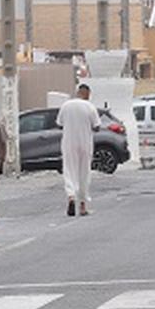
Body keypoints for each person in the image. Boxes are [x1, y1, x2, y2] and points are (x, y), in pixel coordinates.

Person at [57, 84, 102, 216]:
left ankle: (71, 196)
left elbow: (59, 124)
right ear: (87, 93)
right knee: (84, 173)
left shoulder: (66, 106)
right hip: (85, 143)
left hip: (69, 143)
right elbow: (97, 127)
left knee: (69, 171)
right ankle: (82, 205)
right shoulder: (90, 107)